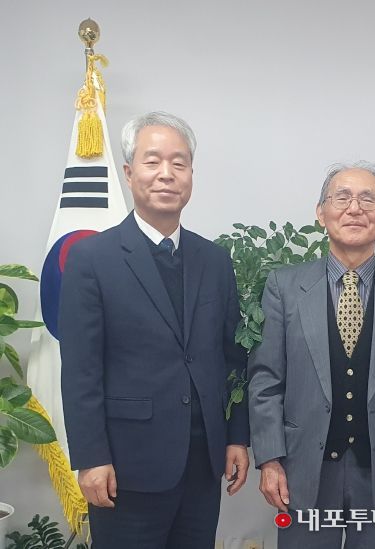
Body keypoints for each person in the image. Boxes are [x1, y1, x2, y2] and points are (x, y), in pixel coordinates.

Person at [59, 111, 249, 549]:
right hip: (126, 467)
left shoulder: (215, 260)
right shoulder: (91, 259)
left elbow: (232, 358)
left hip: (203, 465)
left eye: (179, 163)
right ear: (129, 173)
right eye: (153, 161)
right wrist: (90, 458)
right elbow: (81, 370)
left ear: (191, 175)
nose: (167, 173)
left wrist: (237, 437)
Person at [248, 162, 375, 548]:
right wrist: (270, 459)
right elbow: (266, 380)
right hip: (303, 469)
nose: (355, 208)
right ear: (321, 213)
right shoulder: (284, 287)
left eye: (369, 200)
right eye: (342, 198)